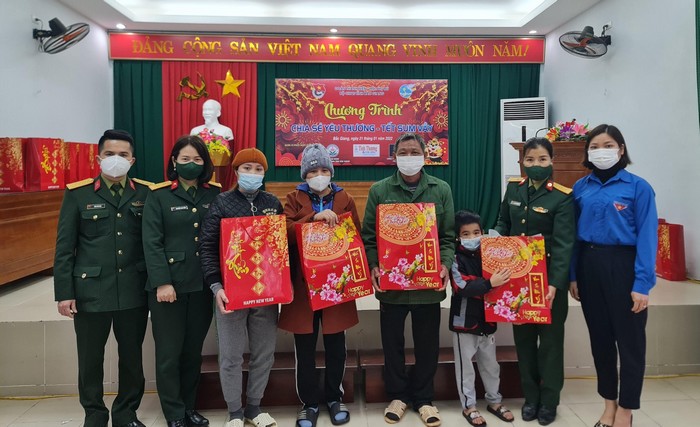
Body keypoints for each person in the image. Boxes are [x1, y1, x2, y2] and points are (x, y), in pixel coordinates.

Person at [54, 129, 152, 427]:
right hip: (91, 291)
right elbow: (65, 247)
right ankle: (94, 414)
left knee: (132, 357)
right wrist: (64, 292)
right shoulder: (78, 194)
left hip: (133, 290)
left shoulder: (146, 193)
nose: (116, 159)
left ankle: (126, 413)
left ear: (132, 160)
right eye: (110, 154)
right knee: (90, 359)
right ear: (98, 159)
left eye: (123, 155)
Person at [361, 133, 455, 427]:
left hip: (428, 286)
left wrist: (445, 264)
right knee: (393, 344)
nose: (409, 157)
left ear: (425, 156)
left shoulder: (441, 189)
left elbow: (448, 236)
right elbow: (368, 236)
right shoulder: (380, 190)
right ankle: (398, 396)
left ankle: (424, 399)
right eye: (403, 152)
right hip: (393, 287)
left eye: (415, 152)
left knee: (428, 345)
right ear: (394, 157)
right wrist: (373, 265)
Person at [569, 125, 657, 427]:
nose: (601, 151)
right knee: (601, 341)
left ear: (621, 149)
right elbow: (574, 236)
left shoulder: (638, 187)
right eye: (594, 146)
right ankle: (609, 405)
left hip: (624, 265)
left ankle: (626, 410)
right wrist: (573, 275)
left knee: (630, 343)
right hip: (589, 265)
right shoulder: (581, 187)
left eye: (608, 145)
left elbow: (648, 237)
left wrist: (642, 284)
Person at [494, 137, 575, 426]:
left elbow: (564, 244)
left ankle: (549, 401)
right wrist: (495, 243)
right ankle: (531, 398)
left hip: (549, 282)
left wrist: (555, 283)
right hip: (518, 279)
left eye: (542, 159)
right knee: (524, 341)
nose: (536, 164)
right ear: (522, 162)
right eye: (530, 160)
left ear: (552, 161)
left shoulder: (562, 197)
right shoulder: (514, 189)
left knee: (550, 344)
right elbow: (503, 222)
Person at [199, 148, 282, 427]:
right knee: (231, 356)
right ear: (236, 172)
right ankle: (234, 411)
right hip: (231, 293)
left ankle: (254, 408)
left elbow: (280, 250)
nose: (252, 174)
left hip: (266, 293)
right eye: (247, 168)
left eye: (258, 170)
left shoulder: (273, 203)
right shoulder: (221, 203)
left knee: (264, 353)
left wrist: (283, 285)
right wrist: (216, 286)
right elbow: (207, 247)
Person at [278, 144, 360, 427]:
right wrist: (312, 218)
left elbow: (356, 235)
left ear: (332, 172)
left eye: (324, 169)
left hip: (337, 285)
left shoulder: (345, 198)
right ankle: (309, 403)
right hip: (304, 287)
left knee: (337, 344)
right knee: (305, 347)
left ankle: (335, 397)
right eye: (313, 171)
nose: (319, 175)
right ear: (305, 174)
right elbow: (284, 233)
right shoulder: (293, 198)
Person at [142, 135, 220, 427]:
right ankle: (174, 413)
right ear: (174, 161)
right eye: (185, 159)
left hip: (202, 285)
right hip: (169, 288)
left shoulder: (215, 194)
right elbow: (152, 242)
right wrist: (162, 282)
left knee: (192, 352)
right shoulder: (159, 195)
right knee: (169, 354)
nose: (191, 164)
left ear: (205, 163)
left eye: (197, 159)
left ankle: (189, 407)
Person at [450, 210, 514, 426]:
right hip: (464, 323)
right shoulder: (454, 258)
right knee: (465, 368)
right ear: (458, 237)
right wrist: (489, 283)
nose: (472, 237)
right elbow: (462, 286)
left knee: (491, 366)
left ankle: (494, 401)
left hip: (488, 321)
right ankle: (469, 406)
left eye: (476, 232)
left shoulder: (491, 255)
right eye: (466, 234)